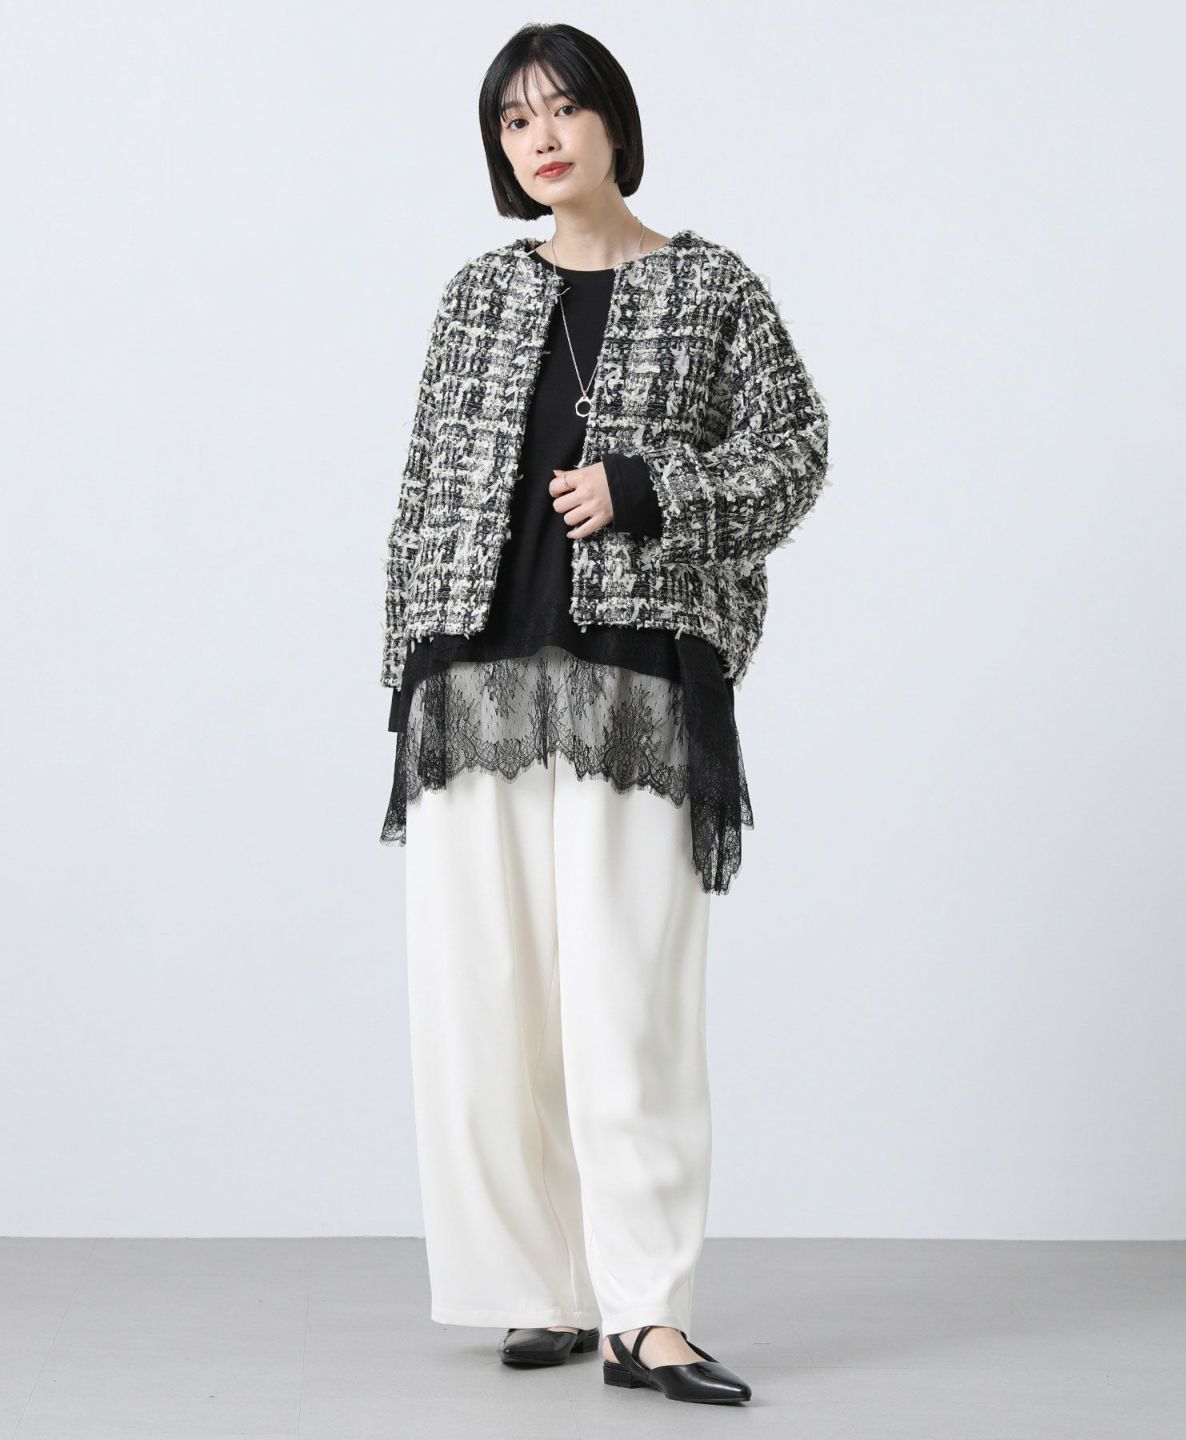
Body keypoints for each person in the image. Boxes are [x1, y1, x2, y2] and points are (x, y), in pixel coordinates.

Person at [378, 22, 829, 1407]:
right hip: (476, 684)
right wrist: (409, 680)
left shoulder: (710, 285)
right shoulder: (475, 295)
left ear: (614, 123)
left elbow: (796, 453)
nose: (543, 137)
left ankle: (648, 1315)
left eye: (563, 109)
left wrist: (647, 489)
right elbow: (423, 493)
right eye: (515, 122)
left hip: (635, 677)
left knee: (627, 1005)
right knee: (487, 1007)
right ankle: (543, 1289)